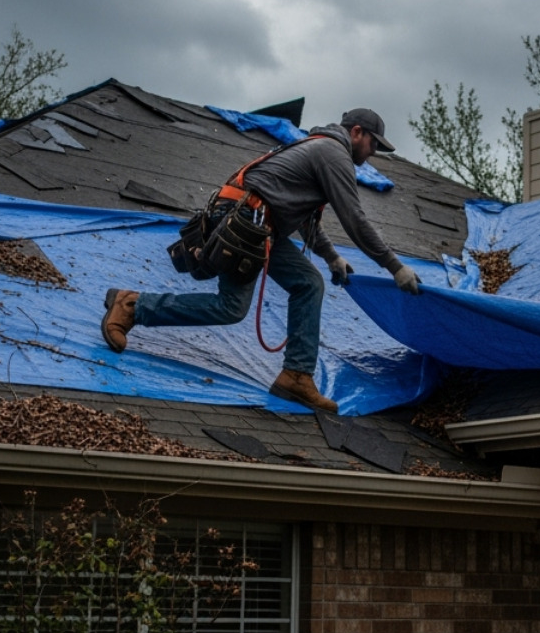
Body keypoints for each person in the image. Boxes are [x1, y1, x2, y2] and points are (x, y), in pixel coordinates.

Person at [99, 108, 422, 413]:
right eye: (373, 144)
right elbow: (355, 219)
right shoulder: (333, 154)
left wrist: (331, 256)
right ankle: (131, 306)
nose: (373, 153)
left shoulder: (320, 148)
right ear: (356, 132)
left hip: (259, 224)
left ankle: (296, 376)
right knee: (231, 307)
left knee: (308, 283)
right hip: (246, 222)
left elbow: (307, 219)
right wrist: (395, 267)